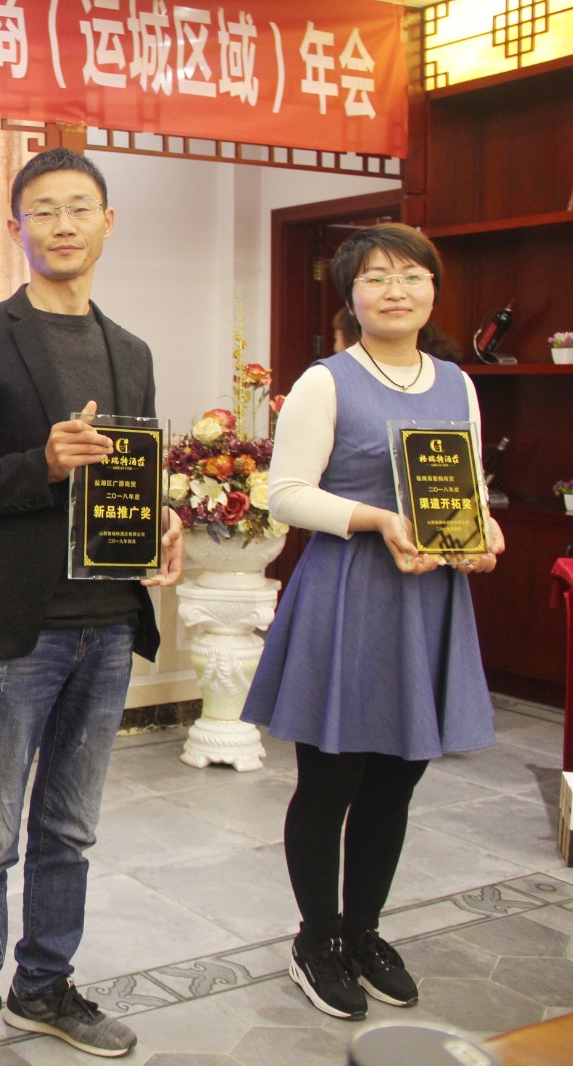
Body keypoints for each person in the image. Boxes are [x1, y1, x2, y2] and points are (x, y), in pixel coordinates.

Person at [0, 147, 183, 1063]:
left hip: (109, 624)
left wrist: (163, 521)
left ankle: (44, 986)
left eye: (78, 208)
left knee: (71, 827)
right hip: (18, 630)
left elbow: (134, 478)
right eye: (43, 210)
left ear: (107, 222)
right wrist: (42, 463)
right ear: (15, 227)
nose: (62, 225)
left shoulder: (132, 352)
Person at [241, 223, 504, 1020]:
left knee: (398, 776)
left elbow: (464, 482)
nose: (397, 290)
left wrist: (482, 529)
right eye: (377, 277)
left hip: (428, 597)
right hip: (349, 592)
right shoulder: (326, 382)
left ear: (433, 289)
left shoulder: (457, 382)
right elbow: (285, 494)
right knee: (332, 780)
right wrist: (379, 519)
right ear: (350, 296)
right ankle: (316, 939)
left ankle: (364, 931)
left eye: (413, 275)